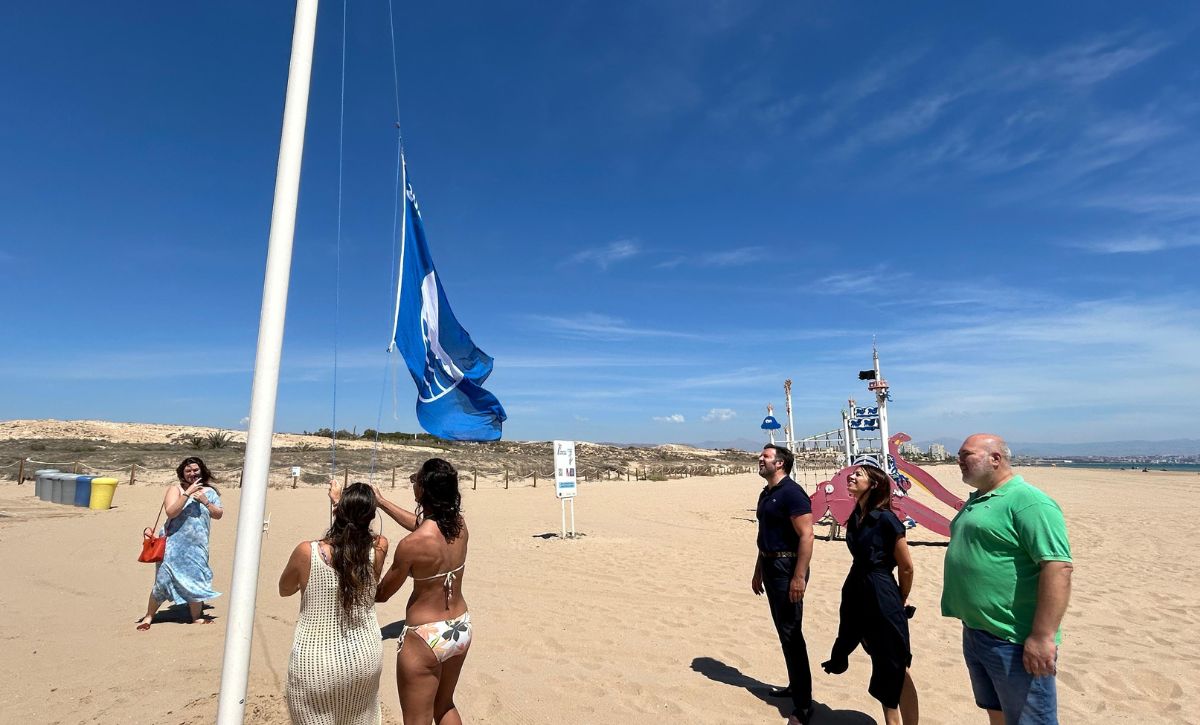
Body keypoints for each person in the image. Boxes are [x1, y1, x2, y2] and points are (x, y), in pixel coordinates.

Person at [942, 434, 1073, 724]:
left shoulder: (1028, 501)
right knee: (997, 711)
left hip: (1014, 639)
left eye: (966, 454)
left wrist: (1042, 636)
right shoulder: (979, 498)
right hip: (977, 631)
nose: (959, 460)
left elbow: (1058, 567)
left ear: (995, 459)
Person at [280, 480, 390, 725]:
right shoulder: (379, 546)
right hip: (364, 658)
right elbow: (355, 551)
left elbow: (284, 589)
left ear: (338, 511)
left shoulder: (307, 552)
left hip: (316, 661)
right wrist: (341, 504)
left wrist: (337, 504)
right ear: (372, 515)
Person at [821, 463, 919, 725]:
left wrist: (900, 598)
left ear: (873, 485)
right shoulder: (856, 516)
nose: (851, 476)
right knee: (878, 656)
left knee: (896, 663)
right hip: (857, 588)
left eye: (859, 474)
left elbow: (907, 567)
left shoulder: (886, 519)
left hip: (880, 589)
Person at [376, 458, 471, 725]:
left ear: (423, 491)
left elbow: (382, 594)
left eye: (415, 480)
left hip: (424, 635)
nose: (413, 483)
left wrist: (374, 562)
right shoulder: (459, 526)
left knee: (417, 719)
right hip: (460, 627)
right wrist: (382, 502)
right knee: (444, 706)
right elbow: (424, 525)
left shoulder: (412, 545)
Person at [751, 444, 815, 725]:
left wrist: (798, 577)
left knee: (791, 634)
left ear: (780, 464)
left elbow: (807, 536)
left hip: (787, 568)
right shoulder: (767, 493)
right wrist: (758, 570)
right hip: (770, 565)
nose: (760, 459)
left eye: (765, 456)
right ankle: (795, 685)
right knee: (785, 632)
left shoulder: (792, 493)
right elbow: (765, 534)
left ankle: (803, 706)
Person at [137, 456, 223, 630]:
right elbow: (171, 512)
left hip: (197, 546)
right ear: (182, 473)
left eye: (195, 470)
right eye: (188, 471)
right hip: (172, 545)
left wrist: (205, 501)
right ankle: (149, 617)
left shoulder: (210, 492)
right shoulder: (175, 489)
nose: (192, 473)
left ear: (202, 471)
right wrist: (187, 493)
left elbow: (218, 514)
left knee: (196, 579)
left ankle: (196, 617)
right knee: (163, 580)